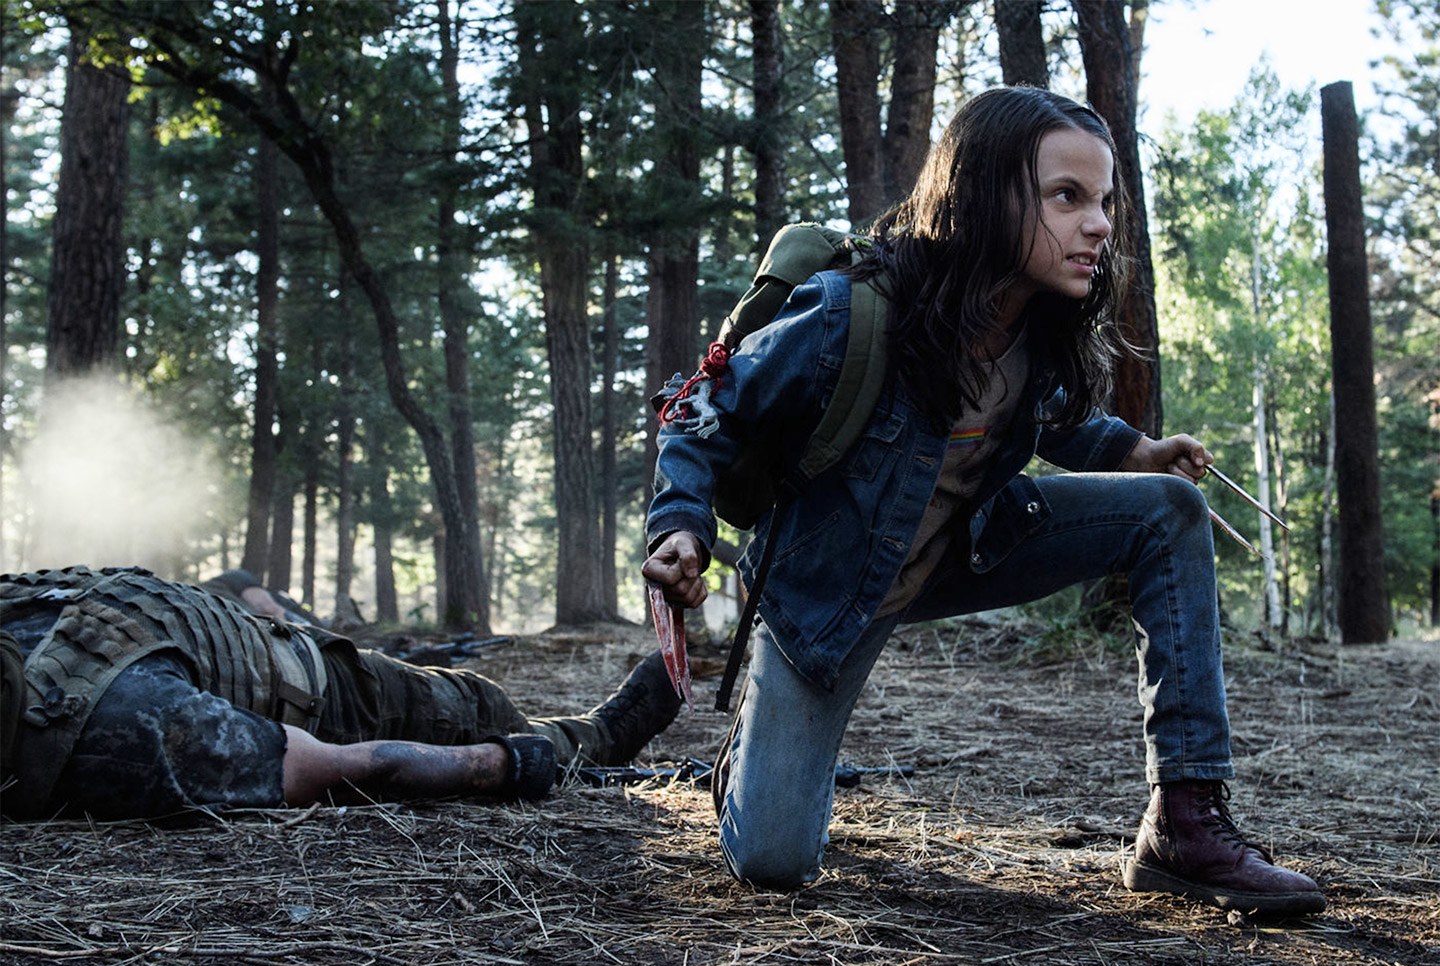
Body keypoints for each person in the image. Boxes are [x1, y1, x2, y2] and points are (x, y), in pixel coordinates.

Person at [643, 87, 1324, 916]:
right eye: (1067, 197)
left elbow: (1049, 414)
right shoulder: (849, 312)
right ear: (982, 195)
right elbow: (704, 406)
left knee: (1167, 511)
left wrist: (1134, 452)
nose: (1099, 225)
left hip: (965, 549)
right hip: (828, 593)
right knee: (774, 862)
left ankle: (1185, 825)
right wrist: (681, 527)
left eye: (1104, 201)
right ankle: (753, 746)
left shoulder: (1037, 324)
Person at [0, 565, 681, 821]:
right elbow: (341, 767)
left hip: (245, 633)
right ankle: (594, 738)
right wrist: (505, 764)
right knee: (483, 708)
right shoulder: (130, 731)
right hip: (328, 692)